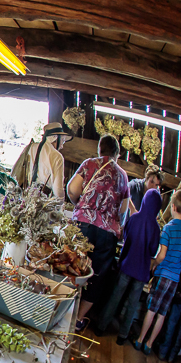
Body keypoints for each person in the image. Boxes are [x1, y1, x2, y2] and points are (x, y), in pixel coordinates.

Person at [68, 134, 131, 332]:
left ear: (99, 149)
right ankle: (78, 319)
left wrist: (80, 206)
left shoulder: (89, 164)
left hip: (82, 226)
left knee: (71, 265)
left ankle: (63, 308)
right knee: (96, 276)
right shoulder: (123, 176)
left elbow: (72, 189)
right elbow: (123, 210)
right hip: (107, 235)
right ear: (117, 154)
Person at [95, 188, 162, 345]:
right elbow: (153, 250)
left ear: (145, 200)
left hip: (127, 265)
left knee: (115, 297)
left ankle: (100, 327)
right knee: (132, 304)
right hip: (141, 271)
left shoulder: (134, 218)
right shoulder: (156, 228)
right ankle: (122, 336)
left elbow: (125, 237)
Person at [133, 190, 181, 355]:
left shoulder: (168, 229)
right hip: (175, 277)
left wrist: (153, 264)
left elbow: (162, 255)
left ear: (172, 207)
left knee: (151, 309)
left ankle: (140, 340)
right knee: (162, 313)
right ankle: (150, 344)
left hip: (163, 273)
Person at [11, 122, 70, 199]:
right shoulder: (57, 156)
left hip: (25, 195)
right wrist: (61, 204)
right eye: (62, 140)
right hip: (43, 199)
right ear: (55, 138)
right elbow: (58, 189)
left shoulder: (30, 147)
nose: (62, 145)